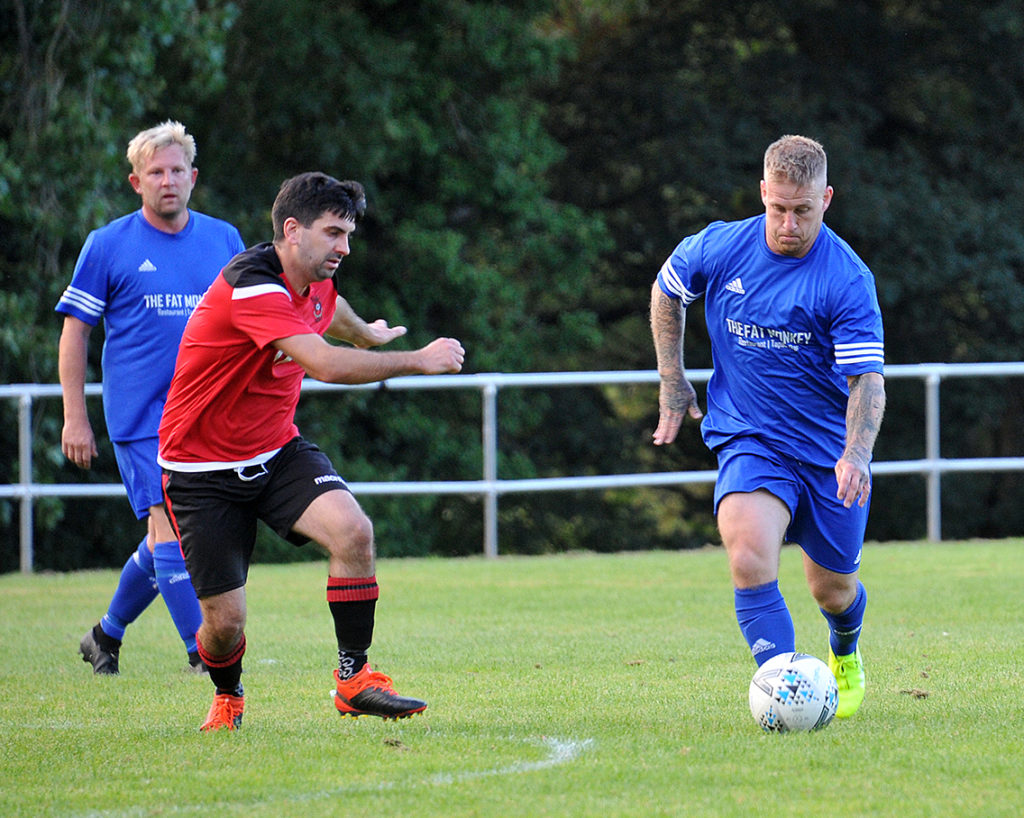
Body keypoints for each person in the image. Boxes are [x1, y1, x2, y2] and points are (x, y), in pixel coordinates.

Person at [158, 171, 466, 731]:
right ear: (292, 230)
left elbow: (332, 308)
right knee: (223, 626)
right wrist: (417, 358)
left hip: (276, 451)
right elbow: (321, 364)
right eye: (333, 233)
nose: (344, 248)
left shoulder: (315, 277)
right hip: (201, 471)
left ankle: (354, 679)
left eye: (349, 234)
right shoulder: (252, 286)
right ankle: (228, 693)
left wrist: (364, 333)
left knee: (354, 532)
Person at [650, 135, 885, 718]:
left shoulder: (847, 278)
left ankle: (845, 650)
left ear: (826, 199)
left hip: (828, 453)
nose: (787, 223)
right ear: (762, 192)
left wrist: (856, 453)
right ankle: (786, 692)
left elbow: (867, 382)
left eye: (802, 210)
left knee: (832, 591)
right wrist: (672, 378)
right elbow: (667, 291)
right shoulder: (720, 247)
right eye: (777, 207)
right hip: (750, 437)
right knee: (750, 554)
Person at [57, 121, 246, 675]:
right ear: (136, 181)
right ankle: (202, 653)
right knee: (172, 527)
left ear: (194, 177)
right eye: (155, 172)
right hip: (142, 420)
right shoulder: (108, 244)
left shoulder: (223, 239)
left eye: (177, 170)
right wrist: (76, 417)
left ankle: (105, 636)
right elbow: (75, 333)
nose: (168, 181)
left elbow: (252, 318)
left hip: (208, 415)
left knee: (166, 534)